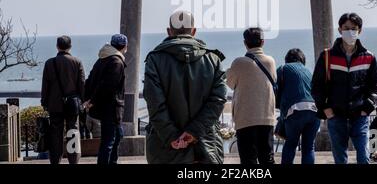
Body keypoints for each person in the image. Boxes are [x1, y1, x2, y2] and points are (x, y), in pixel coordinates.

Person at [143, 11, 227, 164]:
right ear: (194, 31)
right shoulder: (213, 60)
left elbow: (155, 104)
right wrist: (193, 132)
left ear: (169, 31)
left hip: (165, 148)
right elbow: (218, 100)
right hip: (206, 146)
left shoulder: (154, 59)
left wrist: (172, 136)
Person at [311, 13, 377, 164]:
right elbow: (317, 86)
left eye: (354, 28)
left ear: (360, 30)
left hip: (360, 117)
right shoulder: (327, 56)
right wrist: (326, 109)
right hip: (336, 116)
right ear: (339, 29)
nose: (350, 32)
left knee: (364, 157)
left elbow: (376, 86)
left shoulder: (369, 57)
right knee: (340, 159)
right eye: (346, 28)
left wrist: (367, 107)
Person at [226, 27, 277, 165]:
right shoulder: (270, 61)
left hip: (245, 119)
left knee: (248, 159)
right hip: (266, 117)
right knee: (267, 159)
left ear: (245, 43)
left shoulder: (238, 62)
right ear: (263, 42)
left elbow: (230, 83)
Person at [41, 35, 85, 164]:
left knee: (55, 134)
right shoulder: (77, 62)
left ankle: (55, 161)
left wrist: (44, 102)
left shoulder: (50, 63)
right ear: (70, 47)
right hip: (73, 103)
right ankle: (73, 160)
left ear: (57, 46)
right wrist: (82, 101)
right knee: (73, 131)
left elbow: (45, 86)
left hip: (55, 104)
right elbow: (82, 84)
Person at [84, 34, 128, 164]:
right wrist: (92, 100)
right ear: (124, 46)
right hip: (111, 107)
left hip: (105, 107)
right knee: (108, 141)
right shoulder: (116, 62)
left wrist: (88, 99)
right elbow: (107, 87)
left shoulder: (102, 59)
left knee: (118, 135)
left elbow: (90, 80)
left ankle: (112, 162)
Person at [277, 48, 320, 164]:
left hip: (295, 110)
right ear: (302, 60)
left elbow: (276, 91)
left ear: (287, 59)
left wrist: (281, 110)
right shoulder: (308, 71)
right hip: (315, 111)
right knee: (309, 147)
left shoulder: (283, 69)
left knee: (291, 144)